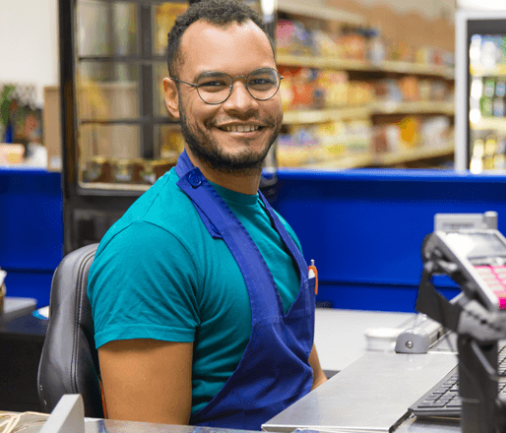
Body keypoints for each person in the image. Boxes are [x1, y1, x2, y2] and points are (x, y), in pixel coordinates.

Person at [87, 0, 327, 430]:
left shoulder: (270, 221)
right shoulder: (150, 246)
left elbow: (310, 380)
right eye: (213, 84)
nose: (242, 103)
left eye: (260, 81)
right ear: (172, 97)